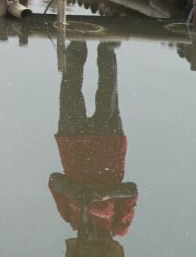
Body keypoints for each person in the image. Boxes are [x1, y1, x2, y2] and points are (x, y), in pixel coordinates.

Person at [49, 41, 137, 256]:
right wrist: (104, 195)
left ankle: (76, 44)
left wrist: (74, 191)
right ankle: (107, 44)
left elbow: (54, 181)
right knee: (108, 90)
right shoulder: (119, 227)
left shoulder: (70, 218)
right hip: (108, 147)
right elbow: (131, 190)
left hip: (72, 144)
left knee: (69, 88)